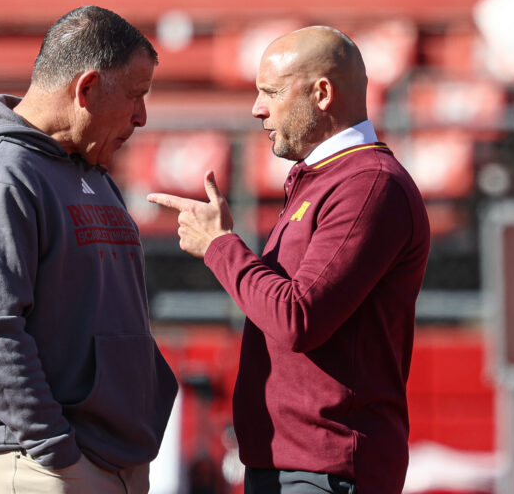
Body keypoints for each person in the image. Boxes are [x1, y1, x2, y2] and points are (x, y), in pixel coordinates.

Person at [148, 26, 430, 494]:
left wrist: (220, 246)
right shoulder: (328, 180)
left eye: (272, 92)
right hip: (291, 465)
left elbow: (298, 317)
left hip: (327, 470)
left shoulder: (368, 184)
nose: (258, 108)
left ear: (322, 93)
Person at [0, 6, 178, 494]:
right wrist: (60, 456)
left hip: (101, 461)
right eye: (135, 96)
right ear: (85, 89)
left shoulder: (91, 171)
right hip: (32, 463)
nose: (142, 117)